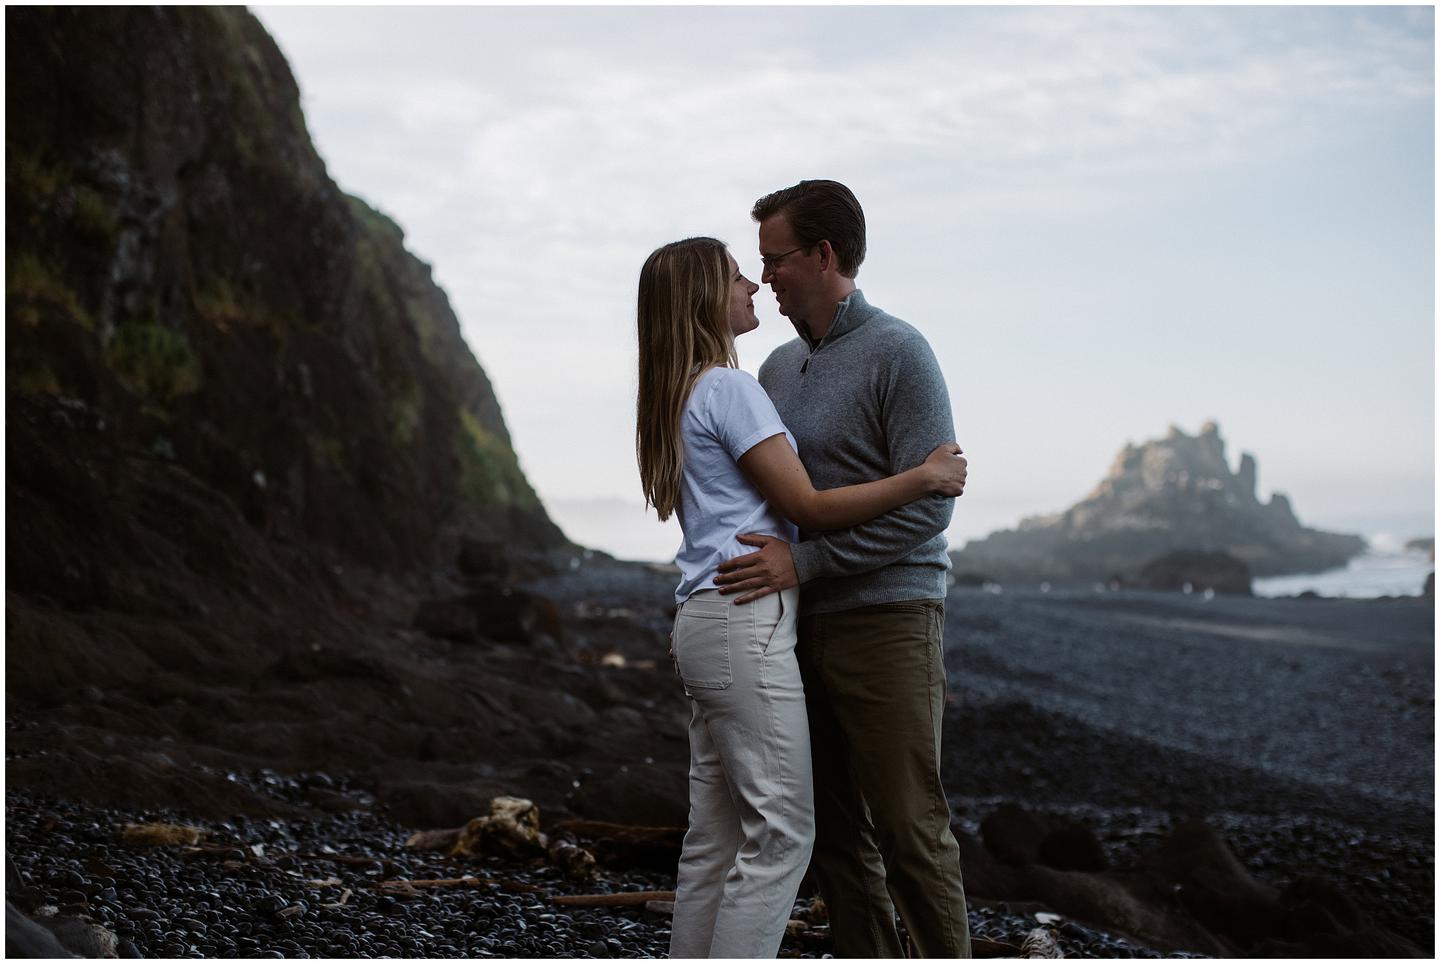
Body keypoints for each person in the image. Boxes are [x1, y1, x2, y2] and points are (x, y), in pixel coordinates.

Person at [635, 236, 967, 959]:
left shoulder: (681, 389)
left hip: (706, 617)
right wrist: (923, 477)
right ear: (701, 298)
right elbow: (809, 509)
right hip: (743, 619)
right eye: (734, 276)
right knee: (784, 830)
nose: (753, 283)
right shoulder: (731, 386)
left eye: (762, 264)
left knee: (713, 842)